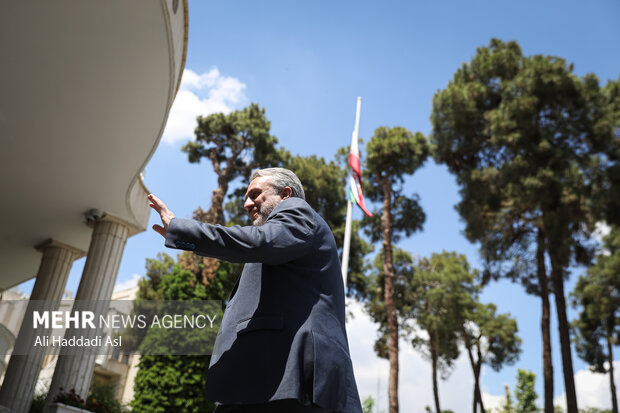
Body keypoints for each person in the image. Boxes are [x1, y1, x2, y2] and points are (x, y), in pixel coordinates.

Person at [148, 168, 363, 413]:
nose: (246, 204)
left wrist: (182, 229)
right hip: (260, 383)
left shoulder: (297, 210)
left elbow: (260, 241)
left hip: (289, 381)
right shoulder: (280, 246)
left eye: (256, 194)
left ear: (285, 194)